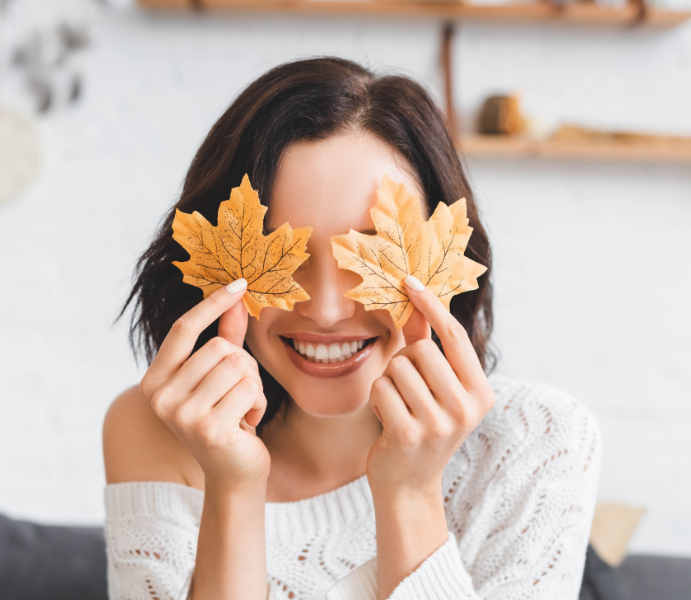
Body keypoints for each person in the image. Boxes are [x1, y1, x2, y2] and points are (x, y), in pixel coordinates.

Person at [102, 57, 602, 600]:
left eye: (374, 255)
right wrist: (233, 489)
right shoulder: (158, 431)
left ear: (447, 260)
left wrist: (409, 493)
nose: (327, 310)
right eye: (281, 254)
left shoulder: (539, 439)